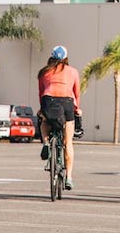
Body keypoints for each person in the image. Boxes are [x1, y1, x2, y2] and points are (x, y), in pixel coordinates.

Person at [38, 45, 81, 191]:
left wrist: (42, 109)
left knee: (44, 119)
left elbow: (41, 92)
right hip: (67, 102)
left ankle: (45, 143)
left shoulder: (45, 72)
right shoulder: (73, 72)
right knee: (68, 142)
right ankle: (69, 177)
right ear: (66, 58)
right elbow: (76, 93)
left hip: (48, 101)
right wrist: (77, 109)